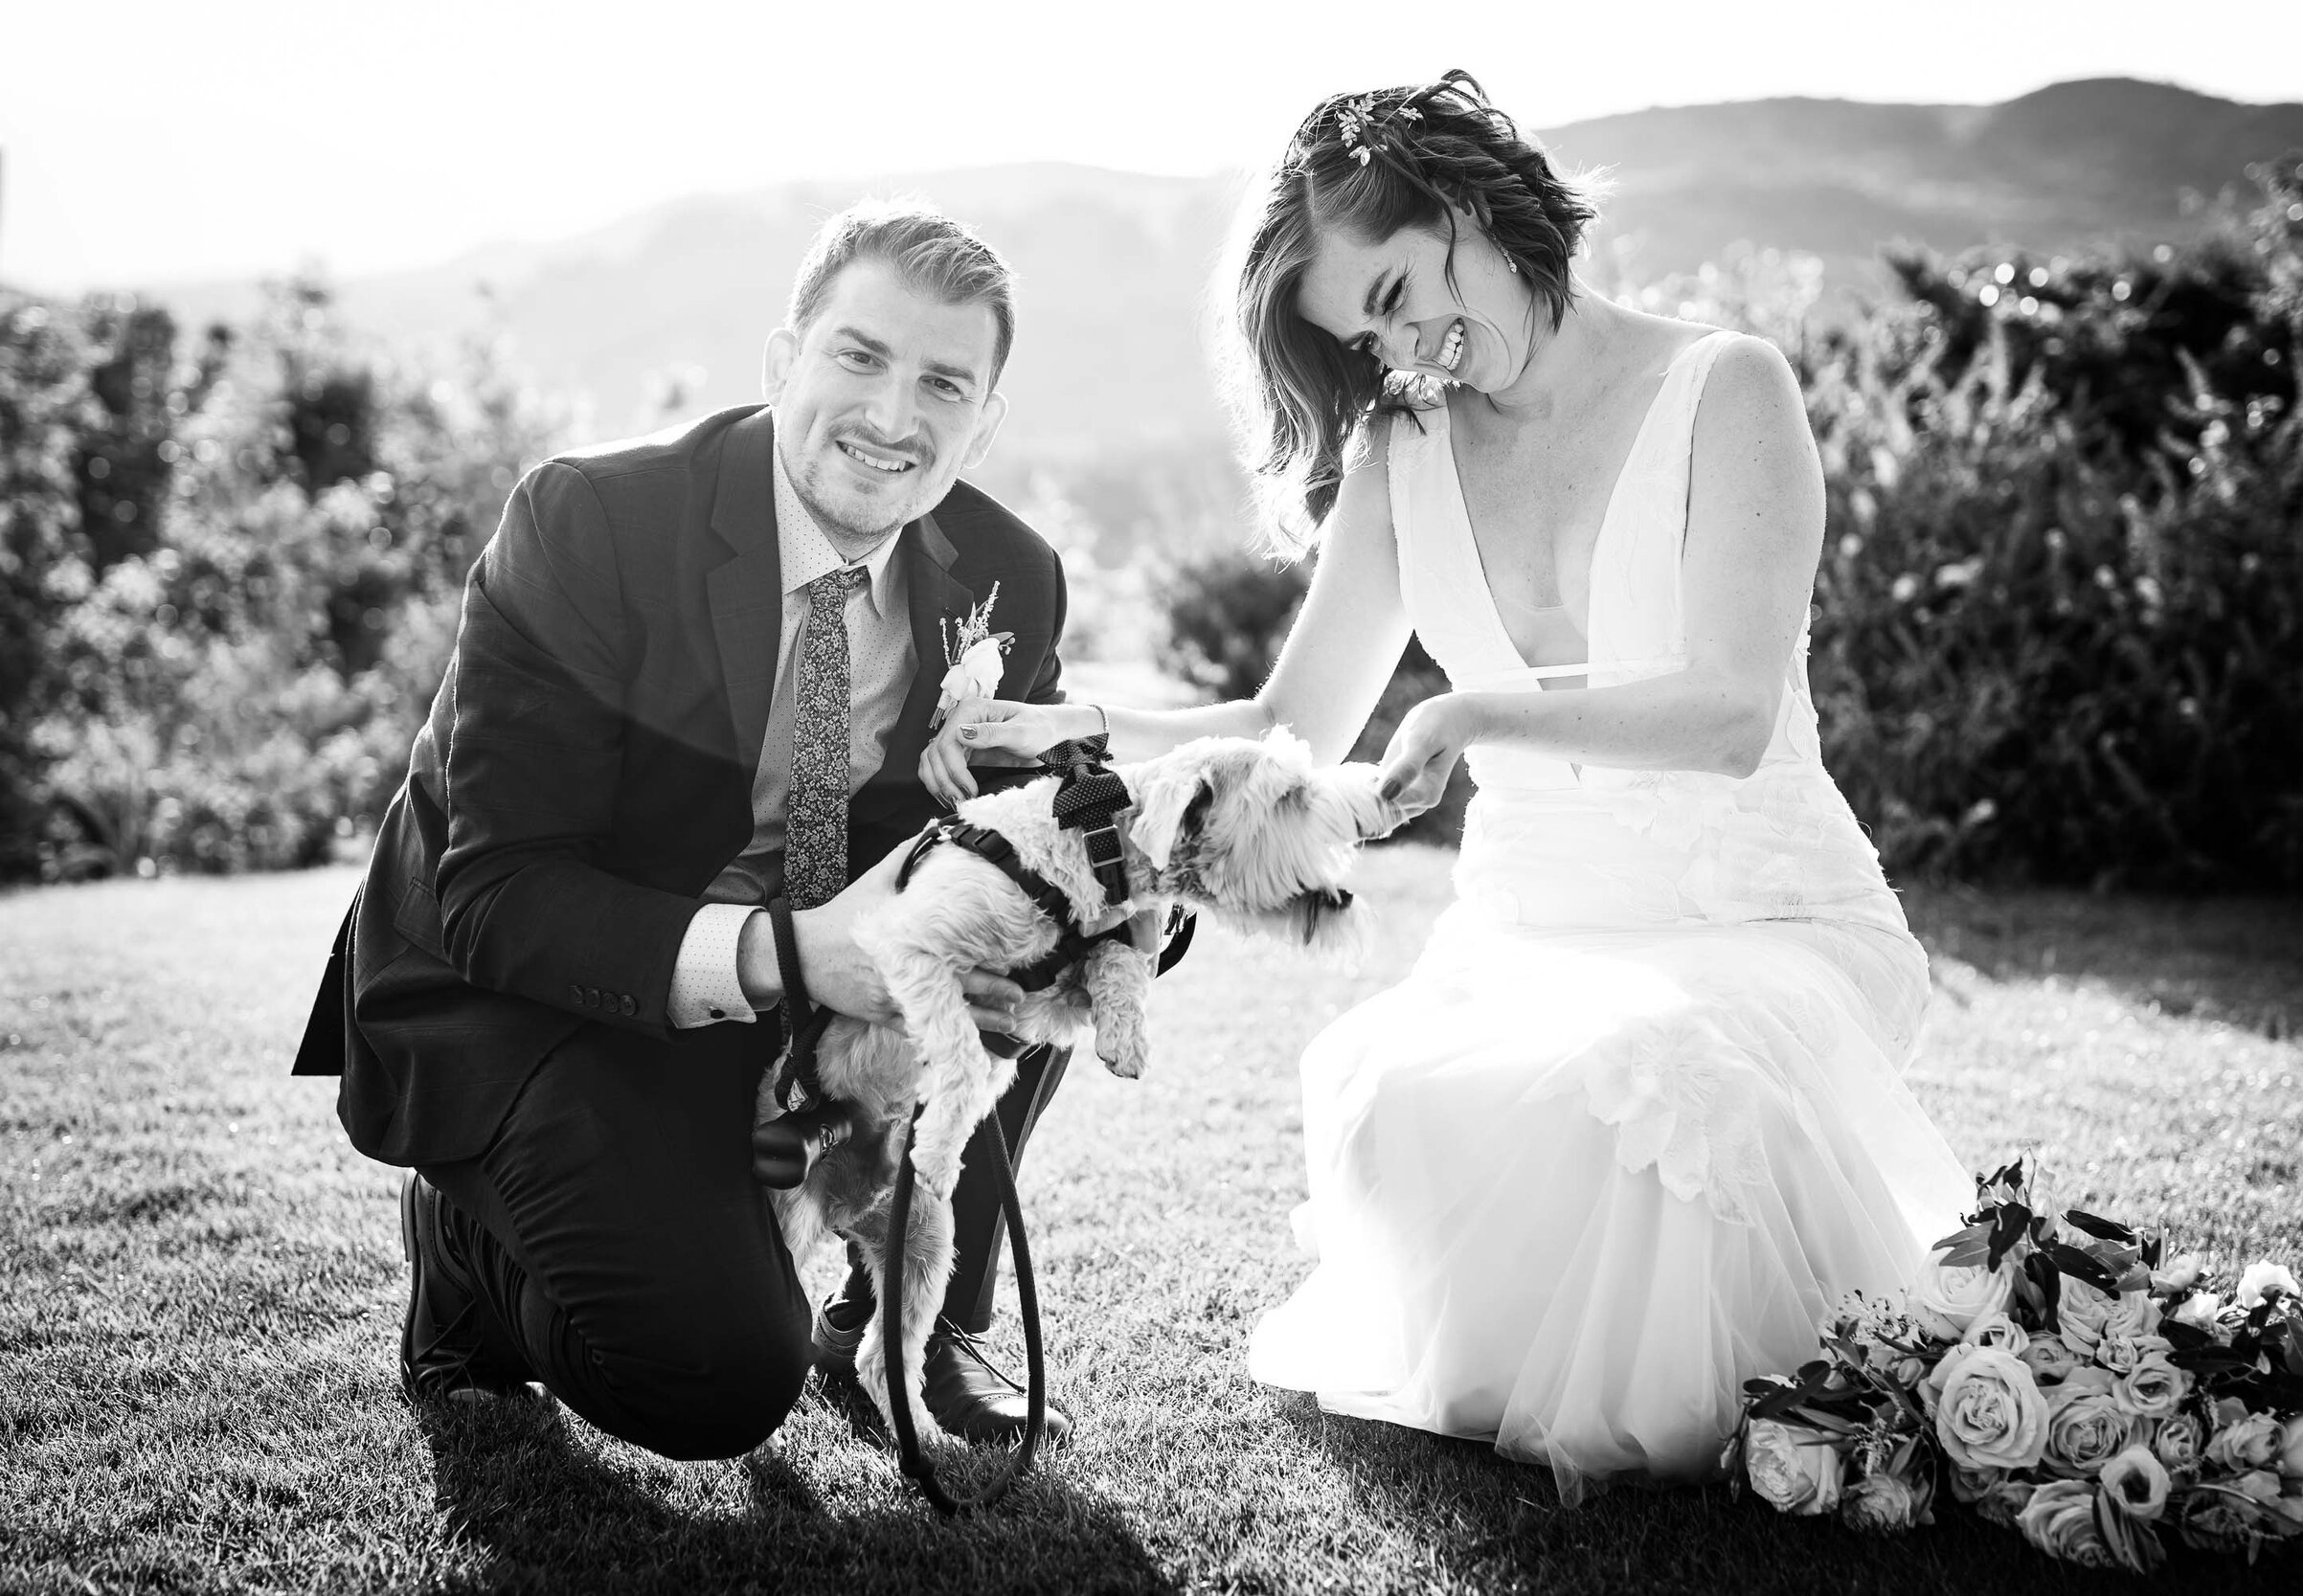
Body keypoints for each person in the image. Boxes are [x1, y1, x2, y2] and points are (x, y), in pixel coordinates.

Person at [926, 72, 1970, 1499]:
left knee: (1655, 1088)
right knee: (1396, 1095)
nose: (1410, 344)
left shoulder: (1726, 387)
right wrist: (1062, 721)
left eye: (1405, 289)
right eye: (1370, 333)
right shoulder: (1402, 448)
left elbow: (1732, 714)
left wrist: (1474, 712)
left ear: (1475, 200)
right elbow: (1288, 718)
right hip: (1530, 940)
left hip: (1757, 921)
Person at [292, 200, 1085, 1460]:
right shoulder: (589, 523)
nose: (894, 417)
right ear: (783, 364)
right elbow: (498, 893)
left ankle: (909, 1324)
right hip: (528, 990)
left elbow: (991, 870)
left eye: (943, 383)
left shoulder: (1011, 577)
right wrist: (786, 957)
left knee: (1048, 937)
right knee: (715, 1380)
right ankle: (464, 1246)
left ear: (981, 422)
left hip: (777, 1000)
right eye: (861, 357)